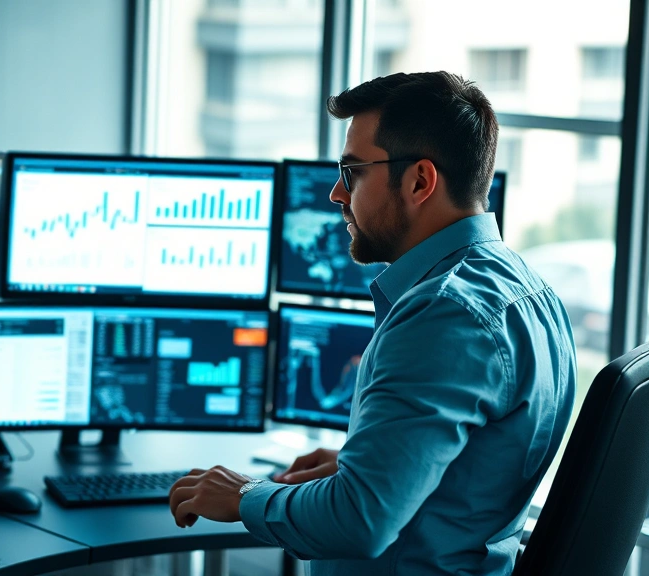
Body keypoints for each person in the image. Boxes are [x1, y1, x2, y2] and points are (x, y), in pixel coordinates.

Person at [167, 71, 577, 575]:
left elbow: (361, 520)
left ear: (420, 181)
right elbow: (478, 475)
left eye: (353, 171)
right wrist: (358, 464)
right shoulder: (529, 292)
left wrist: (246, 496)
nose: (337, 193)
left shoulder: (444, 316)